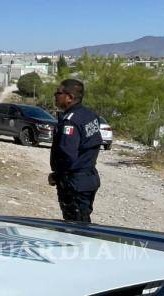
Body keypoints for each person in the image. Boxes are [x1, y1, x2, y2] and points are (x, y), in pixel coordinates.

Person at [49, 79, 102, 222]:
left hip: (74, 183)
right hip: (88, 179)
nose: (55, 95)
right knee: (83, 220)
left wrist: (57, 176)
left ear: (69, 97)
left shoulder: (70, 121)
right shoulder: (89, 115)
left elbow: (67, 156)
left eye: (58, 93)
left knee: (76, 228)